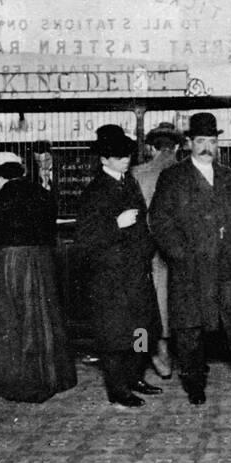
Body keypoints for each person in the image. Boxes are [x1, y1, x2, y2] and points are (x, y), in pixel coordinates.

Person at [147, 112, 231, 405]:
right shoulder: (173, 178)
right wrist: (180, 255)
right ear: (189, 144)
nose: (207, 146)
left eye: (212, 140)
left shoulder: (227, 176)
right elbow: (159, 221)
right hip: (191, 269)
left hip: (226, 267)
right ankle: (194, 384)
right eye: (201, 141)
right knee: (189, 330)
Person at [0, 152, 77, 403]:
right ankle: (49, 377)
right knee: (41, 317)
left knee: (6, 320)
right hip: (42, 261)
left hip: (8, 263)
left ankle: (8, 379)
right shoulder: (44, 195)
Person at [75, 126, 161, 407]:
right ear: (104, 159)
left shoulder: (129, 182)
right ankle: (118, 389)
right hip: (111, 277)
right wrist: (116, 224)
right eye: (118, 154)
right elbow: (84, 241)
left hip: (136, 271)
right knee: (114, 336)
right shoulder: (94, 191)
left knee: (140, 330)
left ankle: (135, 377)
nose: (125, 158)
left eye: (127, 153)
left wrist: (146, 253)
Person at [131, 121, 187, 378]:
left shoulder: (136, 174)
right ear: (177, 147)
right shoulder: (187, 172)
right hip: (183, 248)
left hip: (147, 249)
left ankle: (155, 353)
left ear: (151, 147)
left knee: (153, 301)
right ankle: (185, 355)